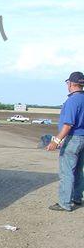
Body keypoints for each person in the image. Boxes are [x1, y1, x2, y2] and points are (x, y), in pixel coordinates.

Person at [46, 71, 84, 211]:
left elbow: (68, 125)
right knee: (78, 170)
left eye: (68, 83)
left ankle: (65, 203)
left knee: (66, 171)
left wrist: (56, 141)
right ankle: (77, 198)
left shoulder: (72, 101)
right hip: (83, 139)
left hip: (73, 139)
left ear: (71, 84)